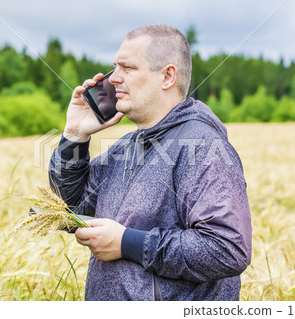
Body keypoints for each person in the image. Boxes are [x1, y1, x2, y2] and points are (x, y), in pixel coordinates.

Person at [49, 24, 252, 301]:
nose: (114, 79)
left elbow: (227, 248)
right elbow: (68, 207)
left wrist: (126, 243)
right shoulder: (125, 149)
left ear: (167, 76)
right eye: (114, 67)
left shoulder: (204, 147)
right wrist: (74, 135)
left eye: (128, 68)